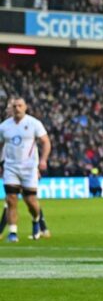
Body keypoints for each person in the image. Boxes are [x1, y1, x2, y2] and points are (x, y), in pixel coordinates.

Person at [0, 97, 52, 242]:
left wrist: (43, 160)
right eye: (14, 106)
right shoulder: (4, 126)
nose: (17, 108)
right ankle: (13, 233)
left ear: (25, 107)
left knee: (31, 201)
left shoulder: (34, 123)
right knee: (11, 199)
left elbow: (46, 142)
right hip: (11, 168)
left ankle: (36, 220)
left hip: (29, 168)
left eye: (20, 105)